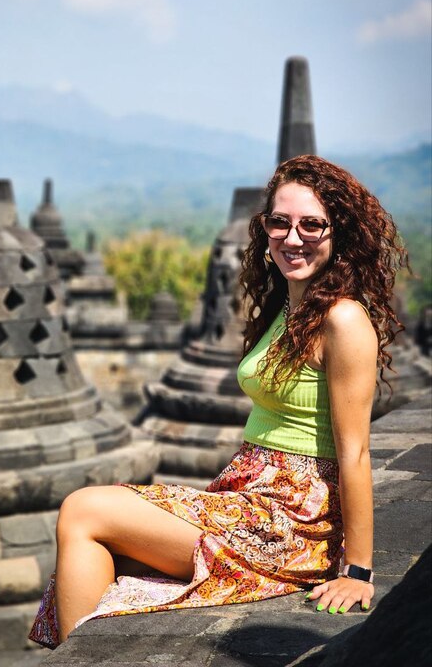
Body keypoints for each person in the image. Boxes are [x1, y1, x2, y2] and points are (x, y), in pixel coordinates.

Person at [29, 155, 407, 648]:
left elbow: (355, 450)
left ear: (340, 234)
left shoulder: (343, 320)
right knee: (102, 553)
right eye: (280, 222)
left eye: (312, 225)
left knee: (83, 510)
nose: (293, 238)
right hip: (249, 497)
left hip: (294, 519)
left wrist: (357, 569)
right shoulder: (290, 306)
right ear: (264, 229)